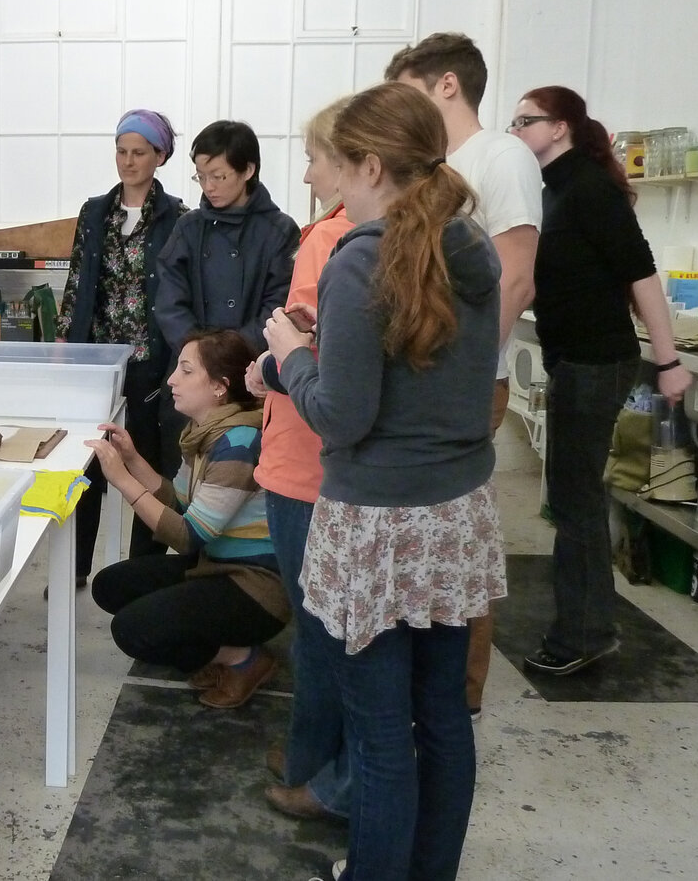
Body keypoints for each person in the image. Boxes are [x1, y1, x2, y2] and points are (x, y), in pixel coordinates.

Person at [265, 81, 504, 881]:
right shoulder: (470, 245)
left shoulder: (357, 259)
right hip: (456, 515)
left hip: (377, 523)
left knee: (377, 730)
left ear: (368, 165)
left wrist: (290, 359)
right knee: (441, 715)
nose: (319, 177)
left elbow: (343, 416)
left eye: (329, 161)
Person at [507, 86, 691, 676]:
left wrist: (668, 361)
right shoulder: (551, 191)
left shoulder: (587, 188)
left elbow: (641, 274)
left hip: (596, 362)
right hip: (575, 359)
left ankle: (584, 634)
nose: (515, 130)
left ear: (559, 127)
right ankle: (588, 625)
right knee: (573, 499)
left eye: (525, 121)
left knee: (575, 502)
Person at [386, 31, 543, 717]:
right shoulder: (440, 163)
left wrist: (475, 375)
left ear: (447, 85)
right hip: (428, 375)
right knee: (425, 534)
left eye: (410, 92)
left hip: (467, 379)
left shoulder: (501, 156)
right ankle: (426, 679)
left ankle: (462, 691)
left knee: (461, 534)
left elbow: (515, 278)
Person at [243, 96, 355, 823]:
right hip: (325, 460)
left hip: (304, 463)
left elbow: (309, 347)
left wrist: (266, 366)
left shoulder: (333, 241)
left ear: (353, 163)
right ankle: (317, 761)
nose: (308, 175)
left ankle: (318, 772)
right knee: (330, 628)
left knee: (320, 633)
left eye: (314, 159)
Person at [88, 328, 289, 710]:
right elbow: (180, 501)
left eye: (185, 371)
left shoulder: (238, 443)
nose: (171, 381)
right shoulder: (206, 431)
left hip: (255, 587)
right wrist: (132, 459)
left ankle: (243, 658)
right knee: (110, 586)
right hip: (215, 566)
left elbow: (187, 535)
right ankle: (221, 645)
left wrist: (121, 480)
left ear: (219, 387)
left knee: (131, 630)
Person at [57, 109, 187, 588]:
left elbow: (178, 289)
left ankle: (142, 572)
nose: (128, 162)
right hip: (97, 358)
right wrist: (66, 342)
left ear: (160, 156)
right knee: (88, 459)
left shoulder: (178, 217)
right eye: (121, 151)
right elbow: (76, 280)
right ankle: (74, 565)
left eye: (139, 153)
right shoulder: (95, 211)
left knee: (146, 464)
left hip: (150, 360)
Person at [155, 120, 299, 474]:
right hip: (191, 376)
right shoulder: (189, 228)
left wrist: (229, 360)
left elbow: (277, 307)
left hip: (249, 376)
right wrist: (198, 360)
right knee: (181, 482)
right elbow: (169, 300)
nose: (209, 186)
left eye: (218, 176)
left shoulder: (280, 230)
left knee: (240, 484)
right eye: (201, 176)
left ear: (248, 169)